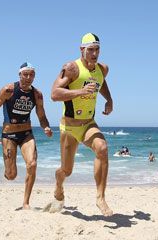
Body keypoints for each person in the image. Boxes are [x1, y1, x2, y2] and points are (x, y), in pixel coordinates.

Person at [47, 33, 113, 216]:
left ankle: (100, 197)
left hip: (88, 124)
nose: (94, 54)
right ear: (82, 49)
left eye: (97, 49)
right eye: (90, 50)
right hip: (69, 127)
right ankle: (58, 184)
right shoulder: (71, 68)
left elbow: (102, 82)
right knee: (66, 170)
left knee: (102, 148)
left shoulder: (103, 69)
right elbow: (54, 94)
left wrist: (109, 100)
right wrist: (80, 91)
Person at [0, 62, 53, 209]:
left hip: (26, 134)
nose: (28, 77)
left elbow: (42, 116)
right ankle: (8, 168)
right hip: (9, 135)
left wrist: (46, 127)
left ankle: (26, 202)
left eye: (31, 74)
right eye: (25, 74)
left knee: (32, 164)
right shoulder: (8, 90)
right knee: (11, 175)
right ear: (20, 75)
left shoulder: (37, 94)